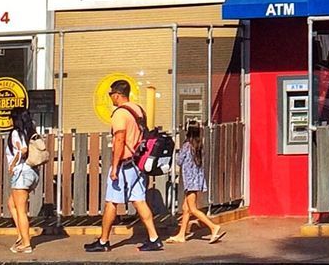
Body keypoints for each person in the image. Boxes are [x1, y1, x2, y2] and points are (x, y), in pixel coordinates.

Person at [84, 81, 163, 253]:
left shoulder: (119, 114)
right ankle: (154, 238)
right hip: (138, 164)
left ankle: (103, 241)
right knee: (139, 201)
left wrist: (114, 168)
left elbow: (119, 140)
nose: (110, 97)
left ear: (117, 94)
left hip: (124, 165)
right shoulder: (138, 110)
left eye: (111, 94)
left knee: (111, 202)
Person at [165, 123, 226, 244]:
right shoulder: (198, 146)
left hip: (190, 181)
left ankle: (213, 227)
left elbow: (179, 161)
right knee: (185, 208)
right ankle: (181, 235)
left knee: (192, 209)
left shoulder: (187, 146)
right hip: (197, 180)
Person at [6, 107, 38, 254]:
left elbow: (23, 150)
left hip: (21, 172)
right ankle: (21, 234)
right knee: (11, 203)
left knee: (21, 210)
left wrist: (12, 165)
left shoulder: (15, 133)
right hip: (32, 172)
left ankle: (26, 243)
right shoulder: (32, 130)